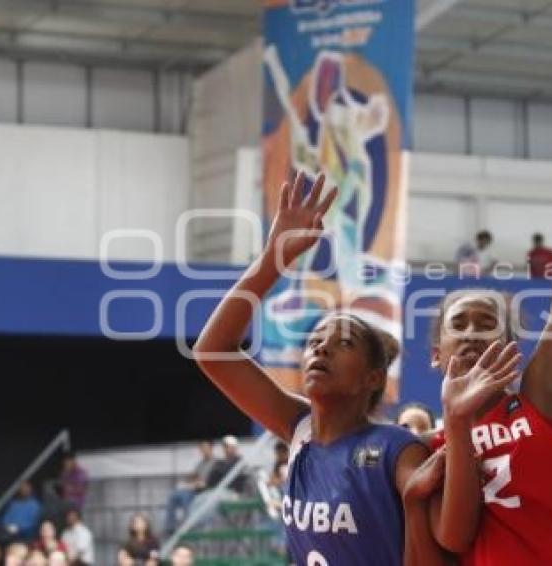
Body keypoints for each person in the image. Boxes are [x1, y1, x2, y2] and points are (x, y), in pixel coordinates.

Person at [193, 172, 511, 565]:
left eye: (342, 343)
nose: (322, 347)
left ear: (372, 378)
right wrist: (273, 259)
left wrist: (413, 503)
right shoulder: (300, 428)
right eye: (315, 342)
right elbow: (213, 352)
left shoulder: (397, 448)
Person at [425, 19, 552, 564]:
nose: (472, 334)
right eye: (460, 324)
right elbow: (453, 539)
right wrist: (457, 420)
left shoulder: (547, 393)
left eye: (486, 322)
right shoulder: (432, 448)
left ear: (512, 345)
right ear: (436, 352)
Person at [164, 440, 216, 534]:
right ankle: (170, 527)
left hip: (206, 490)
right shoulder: (201, 463)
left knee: (185, 496)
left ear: (211, 448)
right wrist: (188, 481)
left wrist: (194, 484)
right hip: (195, 488)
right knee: (173, 495)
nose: (203, 450)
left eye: (205, 448)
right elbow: (193, 477)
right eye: (202, 448)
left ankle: (189, 523)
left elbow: (209, 482)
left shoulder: (216, 463)